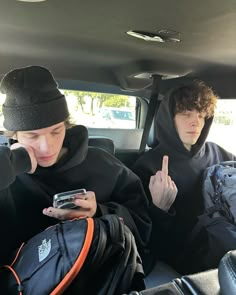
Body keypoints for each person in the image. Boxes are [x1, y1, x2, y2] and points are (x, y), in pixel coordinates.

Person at [0, 65, 151, 264]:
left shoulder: (102, 163)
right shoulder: (6, 174)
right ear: (14, 135)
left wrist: (99, 212)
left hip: (97, 270)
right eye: (32, 136)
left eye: (56, 131)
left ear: (66, 125)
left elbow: (142, 224)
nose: (46, 147)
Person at [133, 80, 236, 274]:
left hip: (226, 240)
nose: (195, 122)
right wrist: (160, 208)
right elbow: (145, 241)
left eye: (201, 115)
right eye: (186, 114)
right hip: (188, 257)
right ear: (169, 118)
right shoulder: (148, 166)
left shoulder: (217, 152)